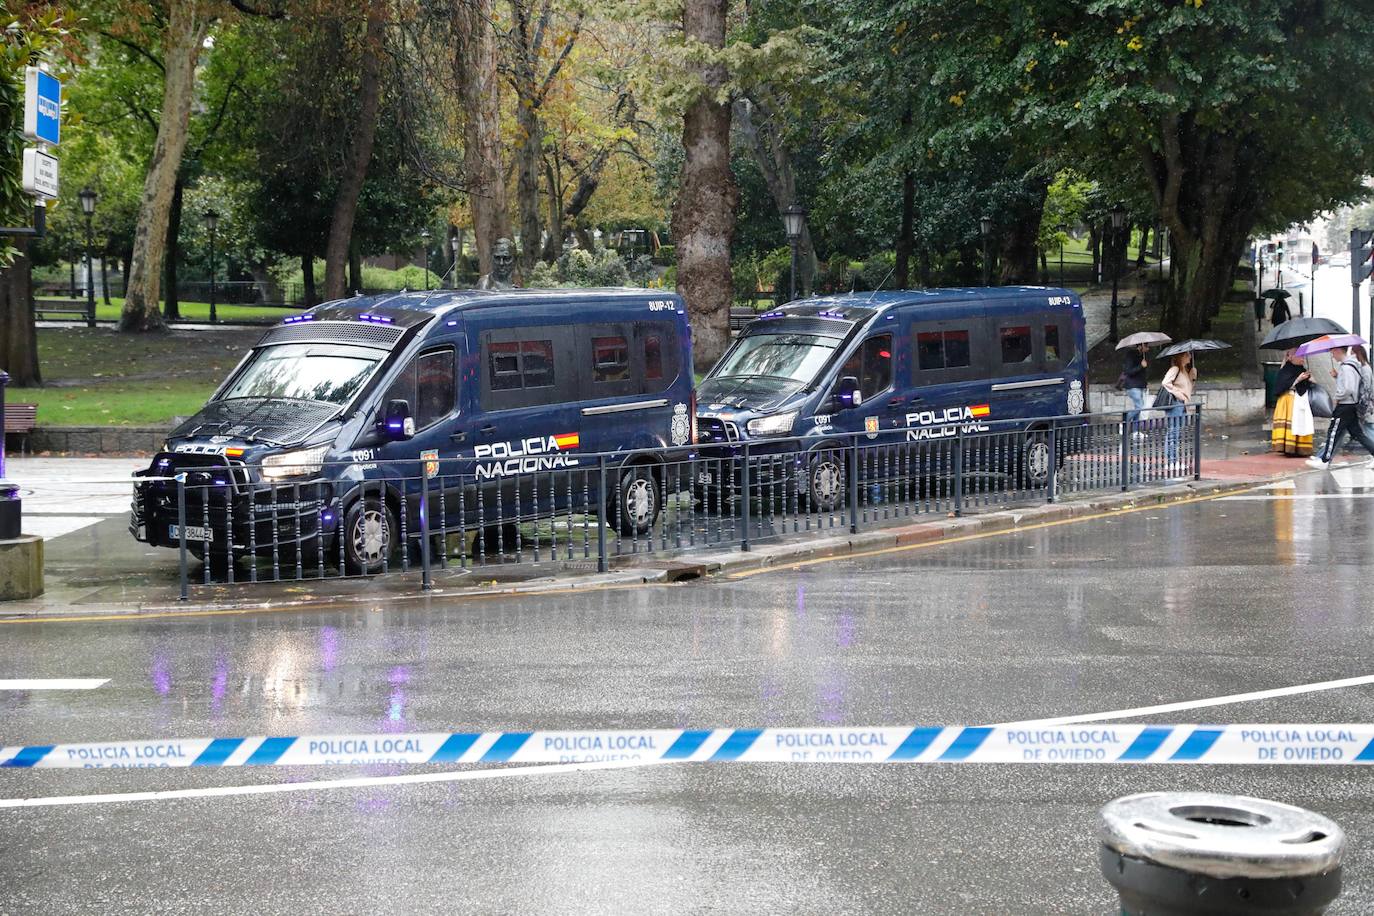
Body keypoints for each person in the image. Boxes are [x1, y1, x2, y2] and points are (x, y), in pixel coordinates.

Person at [1306, 345, 1374, 469]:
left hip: (1345, 405)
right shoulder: (1353, 365)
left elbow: (1348, 388)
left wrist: (1337, 397)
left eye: (1333, 352)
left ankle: (1324, 460)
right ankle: (1323, 458)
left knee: (1333, 432)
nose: (1332, 356)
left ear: (1338, 351)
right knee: (1358, 434)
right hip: (1351, 405)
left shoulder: (1346, 367)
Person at [1270, 350, 1313, 457]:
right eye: (1300, 356)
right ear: (1291, 357)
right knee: (1292, 423)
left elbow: (1307, 385)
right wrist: (1298, 379)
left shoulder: (1302, 370)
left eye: (1303, 356)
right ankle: (1288, 447)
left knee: (1301, 422)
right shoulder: (1285, 370)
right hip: (1288, 400)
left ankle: (1301, 448)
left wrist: (1310, 379)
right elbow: (1282, 385)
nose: (1302, 358)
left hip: (1300, 400)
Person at [1161, 352, 1196, 469]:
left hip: (1182, 404)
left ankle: (1173, 460)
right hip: (1176, 404)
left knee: (1175, 433)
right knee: (1173, 433)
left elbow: (1187, 389)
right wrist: (1178, 394)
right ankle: (1170, 462)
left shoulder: (1184, 370)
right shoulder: (1175, 369)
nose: (1190, 357)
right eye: (1187, 355)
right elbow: (1165, 383)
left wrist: (1192, 378)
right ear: (1181, 357)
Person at [1121, 343, 1149, 430]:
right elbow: (1128, 371)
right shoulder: (1131, 355)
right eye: (1146, 346)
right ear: (1140, 346)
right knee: (1139, 406)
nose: (1148, 348)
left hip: (1140, 386)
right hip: (1132, 386)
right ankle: (1124, 422)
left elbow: (1141, 374)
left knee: (1138, 409)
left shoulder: (1143, 356)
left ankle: (1135, 431)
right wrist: (1141, 366)